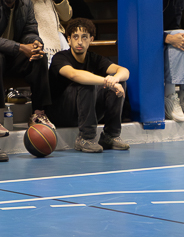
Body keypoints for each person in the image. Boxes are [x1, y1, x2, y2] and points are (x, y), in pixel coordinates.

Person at [47, 18, 130, 152]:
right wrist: (106, 82)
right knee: (87, 83)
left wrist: (115, 80)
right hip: (61, 113)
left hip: (86, 111)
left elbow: (124, 71)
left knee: (119, 82)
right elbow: (75, 75)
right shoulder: (60, 57)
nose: (80, 42)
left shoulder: (95, 58)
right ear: (69, 40)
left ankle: (111, 135)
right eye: (75, 37)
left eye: (84, 37)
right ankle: (85, 138)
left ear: (91, 39)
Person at [0, 0, 54, 127]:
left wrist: (35, 43)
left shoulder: (26, 3)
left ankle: (38, 113)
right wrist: (21, 47)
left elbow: (30, 30)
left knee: (39, 58)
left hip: (14, 56)